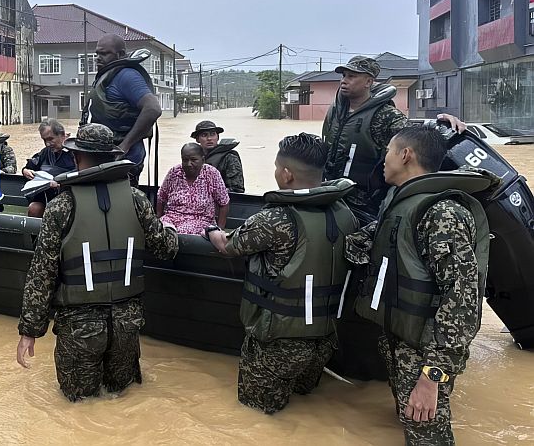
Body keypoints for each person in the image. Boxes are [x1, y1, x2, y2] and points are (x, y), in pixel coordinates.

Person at [346, 125, 492, 445]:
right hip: (401, 342)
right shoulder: (400, 202)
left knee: (429, 438)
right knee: (412, 427)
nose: (383, 159)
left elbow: (463, 298)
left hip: (425, 357)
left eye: (388, 152)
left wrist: (432, 376)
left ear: (406, 155)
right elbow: (381, 239)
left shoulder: (442, 213)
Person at [322, 55, 465, 381]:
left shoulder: (383, 116)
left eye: (353, 76)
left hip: (360, 206)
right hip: (330, 196)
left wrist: (439, 123)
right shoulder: (337, 112)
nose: (345, 80)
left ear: (370, 81)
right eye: (343, 74)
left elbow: (411, 144)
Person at [16, 123, 179, 401]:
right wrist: (172, 228)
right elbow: (165, 249)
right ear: (112, 157)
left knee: (79, 406)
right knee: (122, 400)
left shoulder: (61, 206)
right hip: (126, 324)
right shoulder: (137, 200)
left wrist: (30, 331)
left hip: (79, 327)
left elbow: (41, 274)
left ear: (77, 158)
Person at [207, 133, 358, 414]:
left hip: (277, 345)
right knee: (304, 412)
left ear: (286, 174)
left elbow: (229, 246)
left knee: (257, 417)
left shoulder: (274, 218)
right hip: (324, 342)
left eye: (277, 167)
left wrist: (212, 230)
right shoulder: (344, 212)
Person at [81, 33, 162, 186]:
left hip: (122, 161)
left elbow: (153, 108)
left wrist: (125, 145)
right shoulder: (106, 76)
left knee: (120, 204)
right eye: (97, 53)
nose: (98, 57)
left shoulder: (127, 76)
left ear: (121, 54)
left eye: (104, 53)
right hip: (103, 157)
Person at [156, 143, 229, 234]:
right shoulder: (174, 172)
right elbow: (161, 196)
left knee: (181, 232)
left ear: (202, 160)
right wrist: (158, 218)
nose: (189, 164)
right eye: (185, 160)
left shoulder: (212, 174)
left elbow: (224, 203)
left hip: (201, 221)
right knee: (157, 229)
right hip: (171, 218)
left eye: (193, 160)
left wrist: (220, 230)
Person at [22, 118, 76, 217]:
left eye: (51, 139)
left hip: (69, 196)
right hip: (46, 196)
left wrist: (62, 181)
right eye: (44, 140)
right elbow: (30, 165)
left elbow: (82, 173)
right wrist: (25, 171)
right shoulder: (45, 152)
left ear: (62, 135)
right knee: (34, 208)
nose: (47, 144)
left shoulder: (75, 153)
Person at [191, 120, 245, 193]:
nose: (209, 138)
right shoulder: (192, 158)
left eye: (212, 134)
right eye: (204, 135)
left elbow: (237, 190)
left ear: (218, 137)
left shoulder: (229, 157)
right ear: (197, 139)